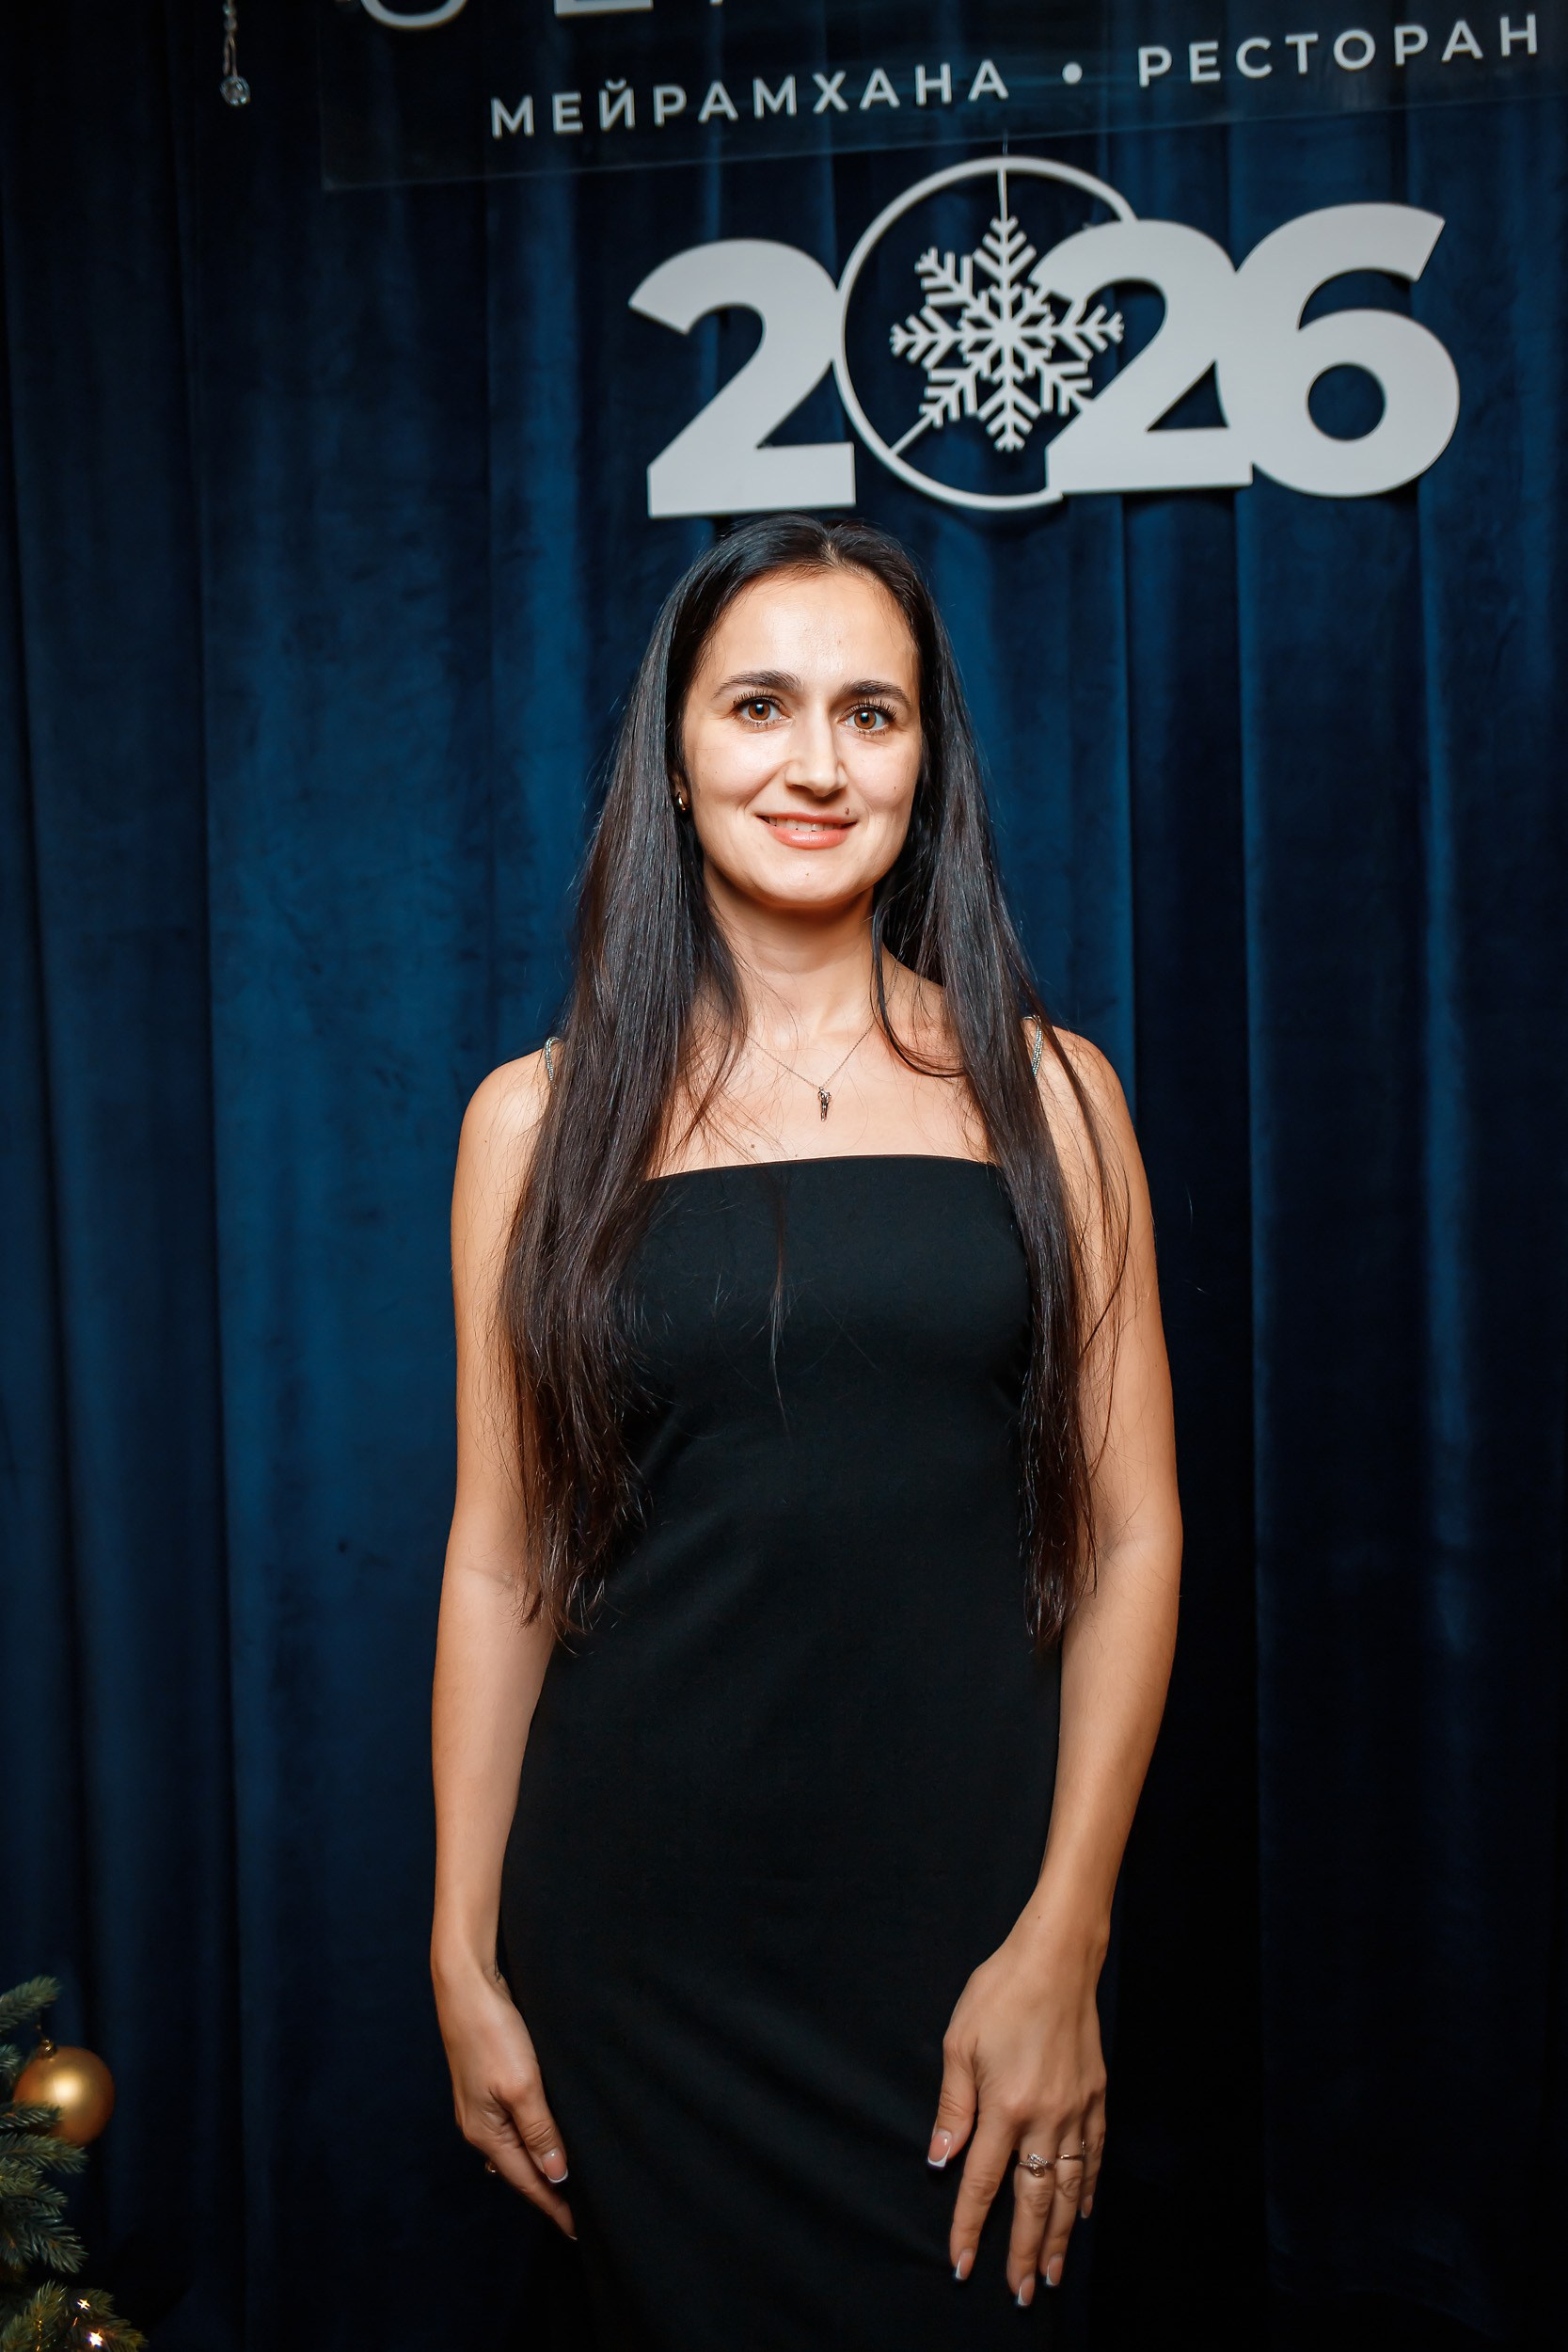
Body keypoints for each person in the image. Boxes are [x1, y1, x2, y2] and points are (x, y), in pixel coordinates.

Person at [430, 514, 1181, 2348]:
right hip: (638, 1948)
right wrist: (459, 1944)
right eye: (760, 705)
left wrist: (1067, 1933)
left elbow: (1131, 1536)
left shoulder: (1051, 1094)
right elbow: (503, 1558)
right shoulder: (532, 1125)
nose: (818, 763)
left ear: (926, 765)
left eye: (872, 712)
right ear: (677, 754)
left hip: (965, 1925)